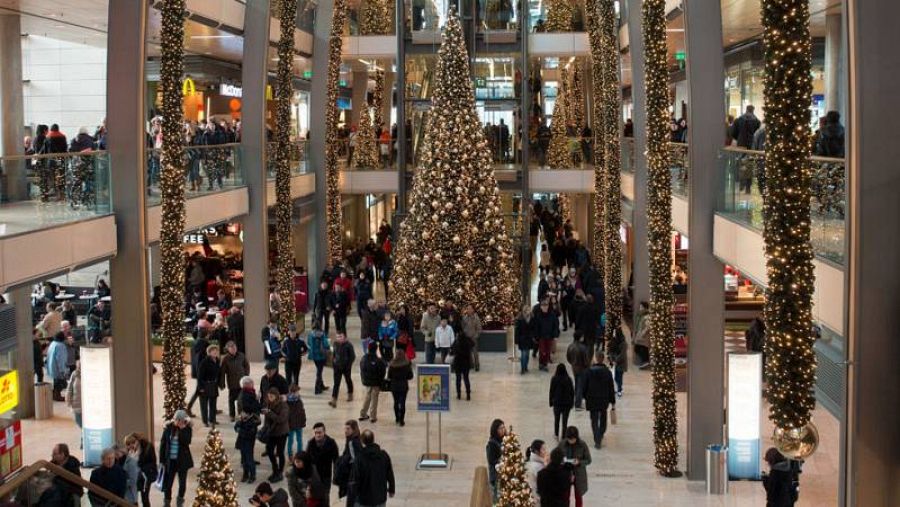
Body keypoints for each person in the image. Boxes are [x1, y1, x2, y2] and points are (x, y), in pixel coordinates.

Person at [158, 410, 193, 507]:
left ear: (184, 420)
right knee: (168, 484)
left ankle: (180, 501)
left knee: (182, 484)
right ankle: (167, 502)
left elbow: (187, 441)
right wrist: (161, 460)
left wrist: (182, 430)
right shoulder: (168, 428)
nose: (178, 422)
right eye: (176, 420)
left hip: (182, 461)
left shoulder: (187, 429)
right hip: (170, 461)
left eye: (180, 420)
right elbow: (163, 444)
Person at [354, 430, 396, 506]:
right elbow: (390, 474)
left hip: (364, 498)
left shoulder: (360, 458)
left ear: (362, 441)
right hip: (380, 497)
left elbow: (357, 478)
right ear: (373, 439)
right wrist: (392, 489)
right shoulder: (384, 455)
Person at [583, 354, 616, 449]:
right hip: (603, 399)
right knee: (603, 417)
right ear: (603, 360)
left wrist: (585, 396)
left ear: (595, 359)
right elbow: (611, 388)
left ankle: (597, 438)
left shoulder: (588, 372)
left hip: (592, 398)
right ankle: (601, 433)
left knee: (593, 419)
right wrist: (612, 401)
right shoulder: (607, 372)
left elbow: (584, 386)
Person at [236, 376, 262, 483]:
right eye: (251, 382)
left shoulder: (248, 392)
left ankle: (249, 474)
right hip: (247, 432)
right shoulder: (246, 395)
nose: (253, 384)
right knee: (247, 456)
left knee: (247, 455)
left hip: (248, 432)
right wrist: (257, 400)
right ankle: (249, 475)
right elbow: (254, 408)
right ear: (246, 384)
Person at [557, 426, 592, 506]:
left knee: (578, 495)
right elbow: (556, 456)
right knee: (565, 495)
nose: (571, 441)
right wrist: (561, 461)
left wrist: (579, 462)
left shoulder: (582, 445)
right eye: (569, 439)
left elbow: (588, 460)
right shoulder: (562, 444)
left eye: (573, 439)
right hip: (565, 473)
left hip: (578, 473)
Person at [306, 422, 340, 498]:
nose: (317, 435)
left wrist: (336, 475)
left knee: (325, 496)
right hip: (314, 475)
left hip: (326, 475)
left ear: (324, 432)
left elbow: (336, 460)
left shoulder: (331, 442)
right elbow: (307, 460)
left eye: (320, 432)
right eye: (316, 433)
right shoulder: (310, 443)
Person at [263, 387, 290, 482]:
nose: (270, 398)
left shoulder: (283, 405)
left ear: (276, 396)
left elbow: (281, 419)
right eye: (268, 396)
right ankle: (275, 469)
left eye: (271, 396)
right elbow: (266, 419)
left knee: (280, 452)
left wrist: (270, 413)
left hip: (281, 433)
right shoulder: (268, 404)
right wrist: (265, 427)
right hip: (272, 432)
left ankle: (280, 472)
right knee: (269, 451)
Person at [219, 340, 250, 422]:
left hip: (242, 382)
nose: (234, 348)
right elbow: (222, 372)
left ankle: (241, 414)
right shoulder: (225, 358)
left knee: (241, 399)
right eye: (231, 347)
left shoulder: (241, 355)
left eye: (234, 347)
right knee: (231, 399)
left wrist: (246, 376)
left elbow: (246, 366)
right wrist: (222, 383)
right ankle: (232, 415)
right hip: (232, 382)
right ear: (228, 349)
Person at [124, 433, 157, 507]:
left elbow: (152, 462)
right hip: (134, 477)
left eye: (133, 442)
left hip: (145, 476)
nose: (131, 445)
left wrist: (140, 468)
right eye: (129, 444)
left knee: (144, 497)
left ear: (138, 440)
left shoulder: (147, 447)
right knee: (133, 498)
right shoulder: (129, 451)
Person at [335, 420, 362, 506]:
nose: (345, 431)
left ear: (354, 430)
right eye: (345, 428)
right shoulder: (352, 439)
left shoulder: (352, 442)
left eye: (348, 429)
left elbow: (355, 458)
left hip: (353, 475)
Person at [359, 342, 386, 423]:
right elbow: (383, 370)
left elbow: (361, 368)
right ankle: (372, 416)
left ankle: (363, 414)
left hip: (367, 382)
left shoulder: (364, 358)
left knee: (367, 397)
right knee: (374, 398)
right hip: (376, 382)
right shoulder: (378, 360)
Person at [387, 343, 413, 426]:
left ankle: (397, 418)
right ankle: (402, 420)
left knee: (396, 402)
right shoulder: (406, 364)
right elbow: (410, 376)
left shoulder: (392, 365)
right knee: (402, 403)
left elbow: (389, 376)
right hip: (403, 386)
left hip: (394, 386)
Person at [185, 328, 209, 417]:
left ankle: (188, 408)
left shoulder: (194, 343)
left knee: (202, 390)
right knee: (200, 390)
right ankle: (188, 408)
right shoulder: (205, 344)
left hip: (196, 370)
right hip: (204, 371)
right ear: (206, 335)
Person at [329, 333, 356, 408]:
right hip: (337, 367)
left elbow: (352, 357)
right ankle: (334, 400)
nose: (339, 338)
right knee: (336, 383)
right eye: (337, 337)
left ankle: (350, 394)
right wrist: (333, 363)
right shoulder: (335, 344)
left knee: (348, 380)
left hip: (346, 367)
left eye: (340, 336)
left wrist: (348, 365)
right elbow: (334, 354)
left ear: (344, 337)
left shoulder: (348, 345)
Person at [197, 344, 221, 427]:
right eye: (214, 351)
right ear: (209, 352)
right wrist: (201, 388)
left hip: (213, 385)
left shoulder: (217, 360)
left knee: (213, 404)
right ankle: (205, 421)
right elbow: (199, 376)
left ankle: (212, 419)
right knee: (204, 405)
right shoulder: (204, 362)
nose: (216, 353)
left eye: (216, 351)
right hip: (205, 385)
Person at [549, 364, 575, 439]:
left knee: (556, 419)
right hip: (567, 403)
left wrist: (551, 402)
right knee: (565, 421)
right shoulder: (568, 379)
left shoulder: (554, 379)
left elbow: (551, 391)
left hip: (557, 402)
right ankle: (563, 436)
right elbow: (572, 392)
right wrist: (572, 402)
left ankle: (556, 434)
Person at [533, 300, 560, 371]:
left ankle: (545, 364)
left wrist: (555, 335)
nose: (545, 307)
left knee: (548, 351)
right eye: (543, 306)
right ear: (541, 307)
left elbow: (555, 325)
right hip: (541, 336)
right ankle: (541, 363)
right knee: (542, 351)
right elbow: (536, 327)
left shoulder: (552, 315)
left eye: (546, 306)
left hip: (549, 336)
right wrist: (536, 336)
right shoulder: (538, 316)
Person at [566, 333, 590, 409]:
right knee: (580, 386)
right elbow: (586, 360)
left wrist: (572, 363)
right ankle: (578, 404)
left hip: (574, 368)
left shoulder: (571, 346)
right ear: (580, 338)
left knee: (577, 384)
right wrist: (587, 366)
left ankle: (576, 400)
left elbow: (568, 357)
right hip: (582, 368)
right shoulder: (583, 348)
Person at [307, 323, 331, 395]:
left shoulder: (310, 334)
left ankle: (321, 385)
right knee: (319, 372)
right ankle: (317, 389)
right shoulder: (322, 334)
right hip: (321, 355)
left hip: (314, 356)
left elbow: (308, 343)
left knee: (319, 370)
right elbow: (326, 344)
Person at [485, 419, 506, 502]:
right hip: (496, 476)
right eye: (501, 428)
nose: (503, 430)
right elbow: (491, 460)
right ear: (495, 430)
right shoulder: (492, 444)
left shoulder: (504, 440)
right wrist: (503, 460)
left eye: (504, 427)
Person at [451, 331, 475, 401]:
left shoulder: (456, 342)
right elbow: (473, 344)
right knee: (466, 379)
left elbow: (452, 350)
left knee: (458, 379)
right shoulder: (468, 341)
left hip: (458, 363)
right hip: (466, 363)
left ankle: (458, 395)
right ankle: (468, 395)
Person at [46, 332, 69, 401]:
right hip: (57, 368)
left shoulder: (53, 343)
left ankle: (54, 395)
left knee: (56, 382)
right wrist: (63, 370)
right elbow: (61, 359)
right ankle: (57, 396)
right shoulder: (60, 346)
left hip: (51, 366)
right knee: (59, 383)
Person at [286, 384, 307, 458]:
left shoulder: (299, 400)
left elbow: (302, 411)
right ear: (292, 392)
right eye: (297, 392)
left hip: (299, 424)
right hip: (290, 425)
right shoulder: (287, 402)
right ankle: (290, 454)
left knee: (299, 440)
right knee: (290, 441)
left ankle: (299, 454)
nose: (298, 393)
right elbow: (286, 415)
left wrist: (303, 421)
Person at [524, 440, 547, 505]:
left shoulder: (534, 461)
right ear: (537, 451)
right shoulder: (537, 466)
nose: (545, 451)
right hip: (536, 498)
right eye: (543, 449)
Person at [607, 327, 628, 397]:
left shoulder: (623, 343)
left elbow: (623, 355)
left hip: (621, 363)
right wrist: (612, 359)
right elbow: (611, 350)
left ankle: (619, 390)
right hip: (616, 362)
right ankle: (619, 388)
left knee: (619, 377)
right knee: (616, 377)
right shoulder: (614, 341)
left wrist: (615, 360)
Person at [461, 304, 483, 371]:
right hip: (466, 338)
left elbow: (479, 328)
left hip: (473, 338)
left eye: (470, 309)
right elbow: (462, 327)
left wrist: (476, 336)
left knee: (475, 352)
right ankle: (470, 364)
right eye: (467, 309)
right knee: (467, 352)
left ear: (473, 310)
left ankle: (477, 365)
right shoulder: (464, 318)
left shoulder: (476, 318)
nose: (469, 310)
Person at [514, 304, 535, 373]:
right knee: (523, 354)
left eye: (528, 310)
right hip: (522, 339)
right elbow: (517, 330)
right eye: (526, 310)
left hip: (529, 339)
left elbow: (533, 328)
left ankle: (525, 367)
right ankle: (523, 368)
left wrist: (533, 336)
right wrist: (516, 340)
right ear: (524, 311)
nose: (527, 311)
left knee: (527, 355)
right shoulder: (520, 319)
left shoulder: (532, 318)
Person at [66, 360, 83, 435]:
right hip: (77, 406)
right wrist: (68, 401)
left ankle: (83, 443)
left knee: (85, 428)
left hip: (89, 408)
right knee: (80, 424)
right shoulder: (74, 374)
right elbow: (69, 388)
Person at [632, 301, 651, 368]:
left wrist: (643, 333)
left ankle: (646, 361)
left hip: (644, 336)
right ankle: (645, 361)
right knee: (638, 348)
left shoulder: (647, 316)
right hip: (640, 335)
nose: (640, 308)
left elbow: (648, 326)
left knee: (643, 348)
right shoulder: (640, 316)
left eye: (641, 307)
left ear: (645, 308)